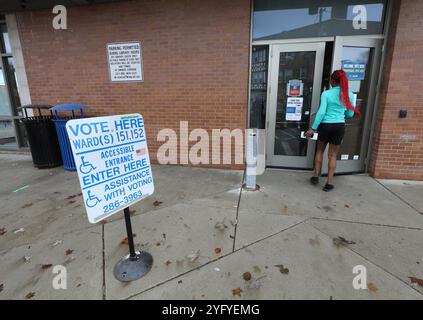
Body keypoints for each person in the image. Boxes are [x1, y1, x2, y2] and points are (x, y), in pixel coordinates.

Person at [304, 70, 361, 192]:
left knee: (319, 151)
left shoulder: (326, 94)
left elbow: (321, 112)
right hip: (339, 126)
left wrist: (313, 128)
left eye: (330, 80)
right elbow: (350, 113)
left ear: (333, 81)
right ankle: (329, 183)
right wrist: (341, 113)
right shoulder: (349, 95)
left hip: (325, 126)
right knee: (333, 156)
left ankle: (315, 176)